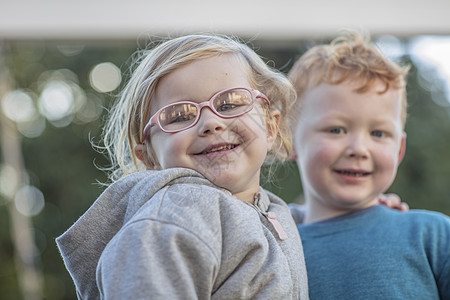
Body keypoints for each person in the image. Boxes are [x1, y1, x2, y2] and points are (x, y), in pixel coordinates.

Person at [56, 34, 309, 299]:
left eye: (230, 103)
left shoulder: (276, 212)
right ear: (149, 158)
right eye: (179, 116)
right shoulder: (170, 220)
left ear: (270, 127)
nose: (211, 122)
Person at [288, 32, 450, 299]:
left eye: (378, 134)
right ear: (289, 141)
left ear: (399, 149)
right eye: (336, 129)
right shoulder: (271, 250)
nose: (358, 149)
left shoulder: (433, 237)